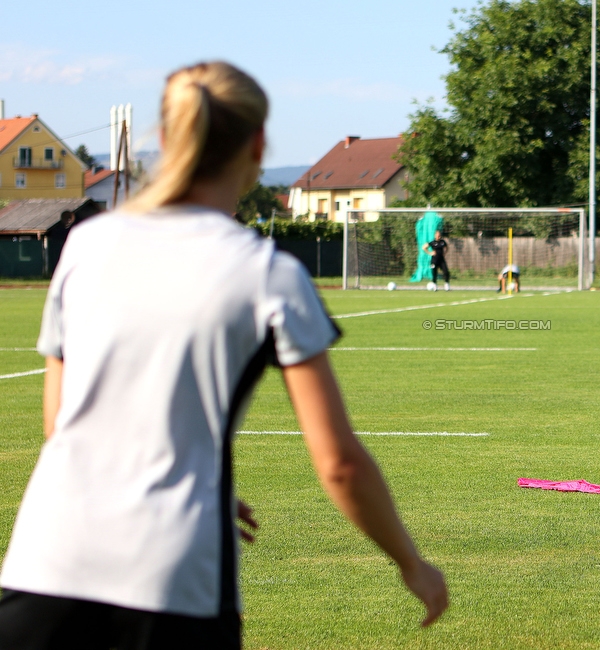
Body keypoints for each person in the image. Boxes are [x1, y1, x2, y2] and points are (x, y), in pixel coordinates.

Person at [0, 61, 447, 649]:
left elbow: (61, 425)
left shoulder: (85, 245)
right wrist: (412, 564)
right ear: (258, 144)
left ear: (164, 137)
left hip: (44, 564)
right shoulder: (268, 274)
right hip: (173, 581)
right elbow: (338, 461)